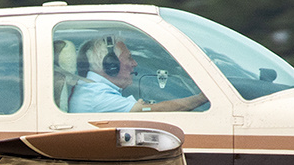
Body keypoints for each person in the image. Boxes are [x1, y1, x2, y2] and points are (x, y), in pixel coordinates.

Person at [67, 36, 207, 113]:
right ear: (111, 65)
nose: (134, 64)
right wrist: (201, 98)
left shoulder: (92, 89)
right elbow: (155, 111)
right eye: (129, 58)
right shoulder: (97, 96)